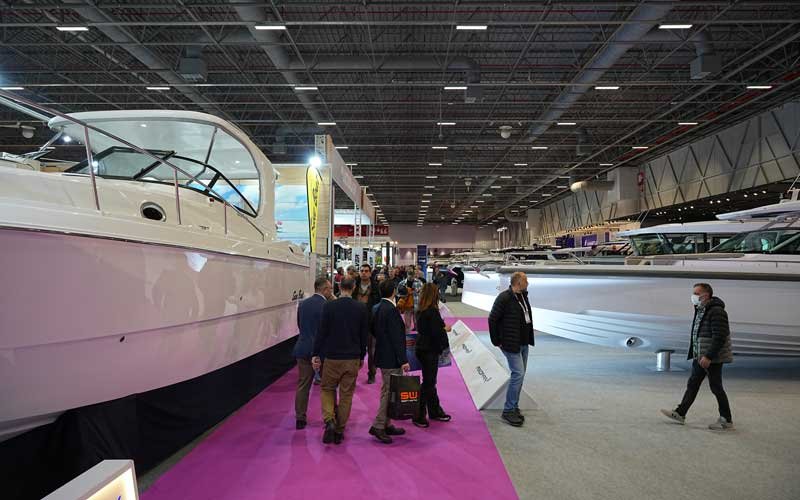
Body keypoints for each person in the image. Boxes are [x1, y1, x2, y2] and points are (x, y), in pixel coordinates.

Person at [661, 283, 734, 430]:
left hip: (710, 358)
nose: (693, 296)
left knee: (716, 387)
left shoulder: (717, 311)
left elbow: (720, 336)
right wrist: (697, 354)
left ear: (705, 295)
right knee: (693, 384)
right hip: (700, 355)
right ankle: (680, 413)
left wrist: (708, 356)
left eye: (696, 293)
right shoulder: (701, 309)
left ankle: (726, 419)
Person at [312, 278, 369, 445]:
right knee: (346, 395)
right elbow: (363, 335)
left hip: (332, 358)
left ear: (339, 286)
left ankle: (329, 420)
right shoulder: (361, 308)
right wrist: (361, 356)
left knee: (327, 389)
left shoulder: (329, 306)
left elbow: (321, 332)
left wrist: (316, 354)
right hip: (351, 358)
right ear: (353, 288)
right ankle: (339, 430)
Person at [488, 271, 534, 427]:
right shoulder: (504, 298)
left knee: (520, 375)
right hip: (510, 344)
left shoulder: (522, 296)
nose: (528, 282)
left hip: (523, 342)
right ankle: (508, 409)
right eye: (526, 280)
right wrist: (496, 341)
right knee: (518, 373)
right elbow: (492, 319)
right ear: (518, 282)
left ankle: (513, 406)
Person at [369, 279, 411, 444]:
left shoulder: (376, 308)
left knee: (387, 390)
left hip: (382, 355)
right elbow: (397, 338)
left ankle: (386, 424)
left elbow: (373, 330)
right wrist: (403, 360)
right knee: (388, 393)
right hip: (391, 358)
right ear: (393, 291)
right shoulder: (391, 310)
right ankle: (378, 425)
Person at [292, 277, 333, 429]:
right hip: (322, 352)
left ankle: (300, 418)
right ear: (324, 289)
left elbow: (300, 325)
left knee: (303, 384)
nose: (331, 291)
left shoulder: (302, 304)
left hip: (302, 348)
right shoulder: (327, 305)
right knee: (328, 386)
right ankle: (329, 417)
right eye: (329, 288)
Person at [413, 283, 452, 428]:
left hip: (422, 348)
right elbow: (437, 333)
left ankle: (434, 410)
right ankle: (418, 414)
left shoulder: (421, 311)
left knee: (430, 382)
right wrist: (445, 330)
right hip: (429, 350)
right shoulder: (432, 312)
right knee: (429, 383)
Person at [352, 263, 381, 384]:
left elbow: (379, 305)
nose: (363, 272)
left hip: (370, 324)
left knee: (372, 351)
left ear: (370, 273)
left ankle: (372, 374)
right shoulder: (354, 286)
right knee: (354, 351)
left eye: (366, 271)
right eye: (362, 270)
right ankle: (351, 375)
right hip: (355, 323)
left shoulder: (376, 287)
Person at [397, 265, 423, 333]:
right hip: (406, 306)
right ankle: (408, 338)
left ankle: (418, 338)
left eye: (412, 275)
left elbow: (423, 294)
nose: (411, 277)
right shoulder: (402, 283)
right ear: (407, 275)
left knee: (417, 323)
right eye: (409, 275)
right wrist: (405, 294)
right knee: (407, 324)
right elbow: (398, 294)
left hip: (416, 305)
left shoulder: (419, 282)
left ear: (414, 275)